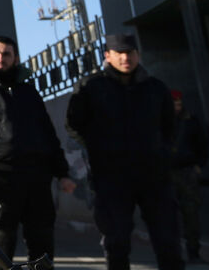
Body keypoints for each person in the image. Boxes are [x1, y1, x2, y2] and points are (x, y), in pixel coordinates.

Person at [66, 33, 183, 270]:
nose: (125, 58)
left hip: (154, 175)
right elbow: (74, 124)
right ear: (108, 56)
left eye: (130, 52)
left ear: (138, 54)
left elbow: (170, 126)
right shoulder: (92, 87)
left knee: (167, 239)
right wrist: (98, 149)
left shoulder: (155, 88)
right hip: (111, 177)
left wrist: (163, 153)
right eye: (119, 53)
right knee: (117, 241)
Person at [0, 35, 77, 270]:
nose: (0, 58)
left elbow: (49, 136)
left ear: (15, 58)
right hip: (1, 177)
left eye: (6, 54)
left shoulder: (29, 92)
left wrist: (63, 173)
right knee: (0, 245)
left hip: (38, 176)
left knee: (42, 242)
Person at [168, 89, 209, 262]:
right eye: (173, 104)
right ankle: (171, 253)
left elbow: (202, 143)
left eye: (178, 104)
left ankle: (193, 251)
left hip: (187, 171)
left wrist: (199, 165)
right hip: (166, 173)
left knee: (191, 213)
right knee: (167, 214)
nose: (177, 107)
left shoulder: (190, 121)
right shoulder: (157, 122)